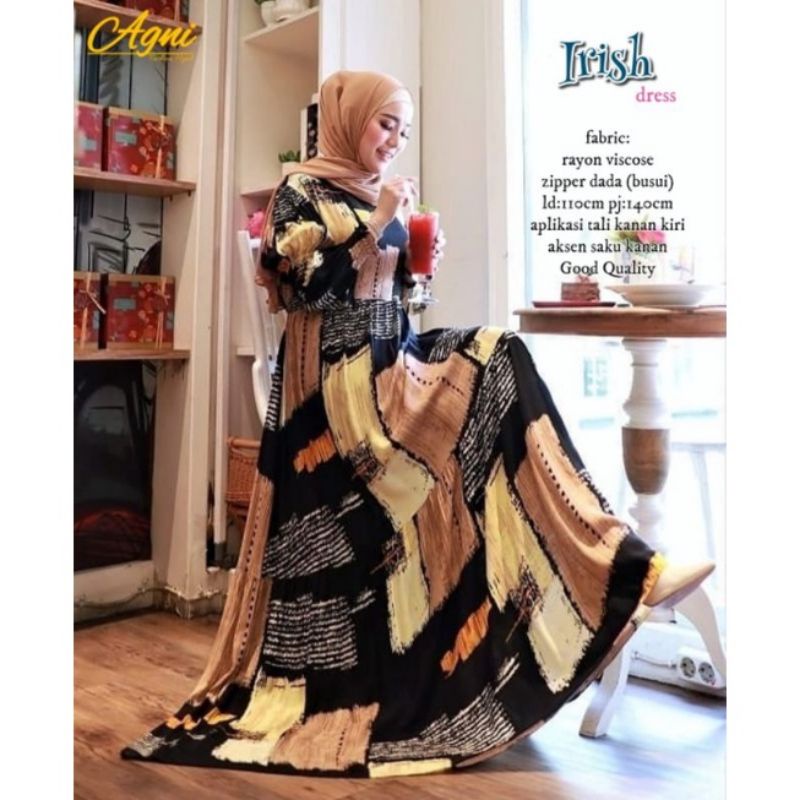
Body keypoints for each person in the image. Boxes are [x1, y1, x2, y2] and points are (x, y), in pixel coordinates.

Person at [121, 70, 714, 778]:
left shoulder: (377, 194)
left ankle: (612, 568)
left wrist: (416, 267)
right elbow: (306, 290)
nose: (394, 141)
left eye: (402, 129)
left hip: (390, 361)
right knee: (494, 362)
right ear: (348, 119)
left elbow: (399, 298)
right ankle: (620, 569)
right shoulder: (300, 191)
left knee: (500, 363)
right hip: (334, 391)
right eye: (384, 124)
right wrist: (378, 226)